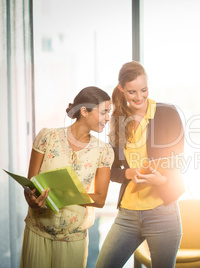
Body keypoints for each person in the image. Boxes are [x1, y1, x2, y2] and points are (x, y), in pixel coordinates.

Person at [95, 61, 185, 268]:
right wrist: (129, 173)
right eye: (132, 92)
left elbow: (178, 160)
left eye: (143, 90)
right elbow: (111, 170)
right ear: (121, 90)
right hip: (128, 214)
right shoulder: (118, 119)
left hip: (162, 212)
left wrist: (160, 180)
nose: (139, 97)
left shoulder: (167, 113)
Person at [21, 86, 114, 268]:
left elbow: (100, 199)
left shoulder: (103, 151)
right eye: (104, 112)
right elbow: (30, 184)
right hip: (38, 231)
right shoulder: (47, 137)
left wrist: (66, 194)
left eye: (109, 112)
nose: (108, 118)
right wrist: (32, 201)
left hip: (74, 238)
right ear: (84, 111)